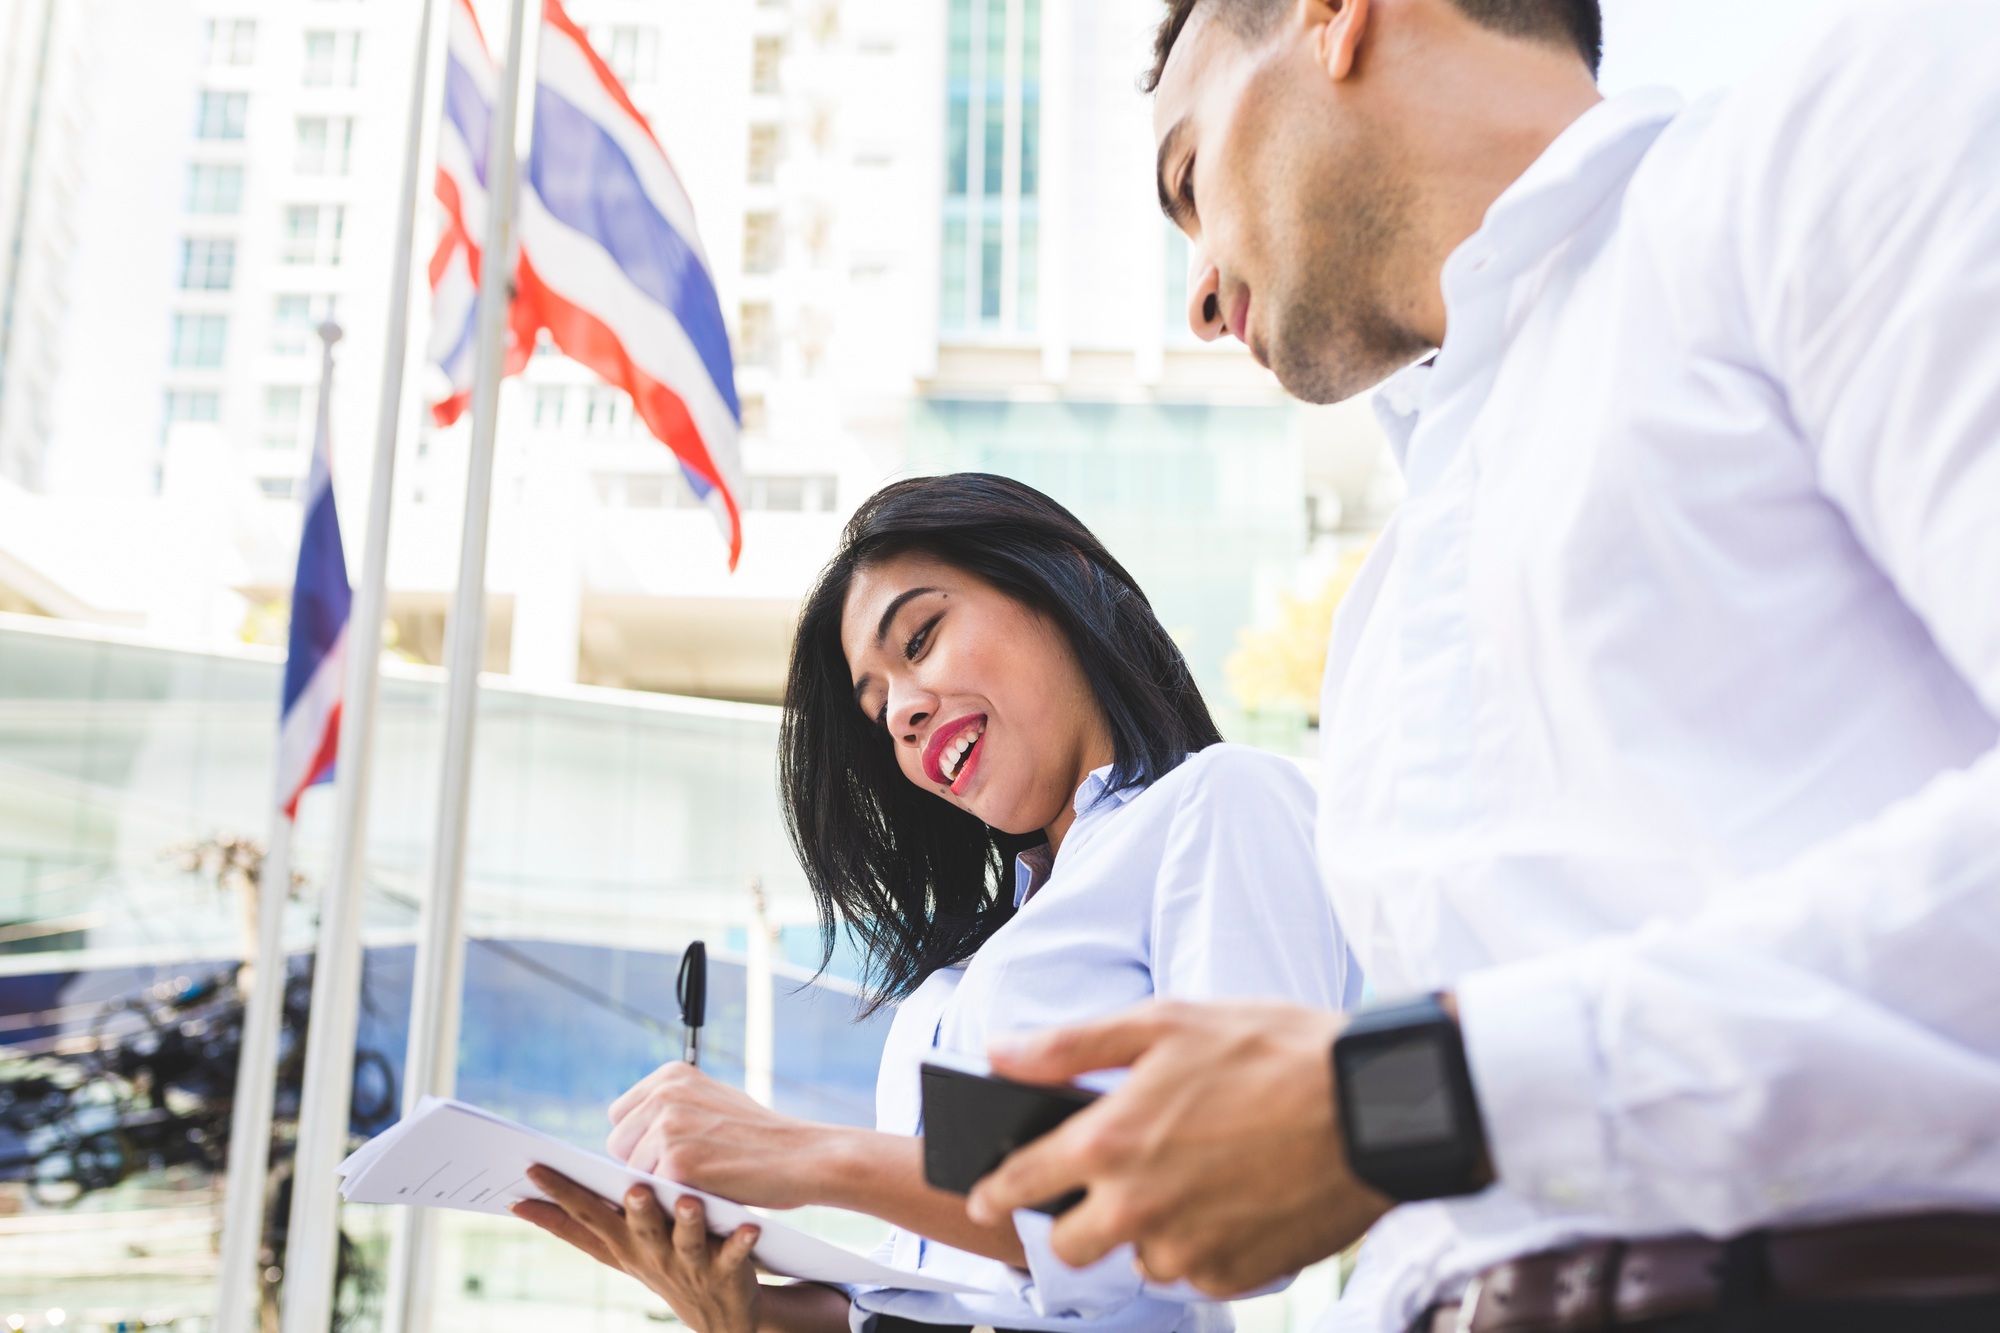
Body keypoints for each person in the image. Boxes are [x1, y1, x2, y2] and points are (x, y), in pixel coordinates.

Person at [956, 1, 2000, 1331]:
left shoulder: (1816, 151)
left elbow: (1415, 1108)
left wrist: (1399, 1101)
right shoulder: (1387, 602)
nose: (1203, 292)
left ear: (1334, 20)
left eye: (1190, 180)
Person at [512, 473, 1365, 1333]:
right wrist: (738, 1304)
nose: (904, 717)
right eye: (879, 707)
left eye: (921, 638)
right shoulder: (972, 968)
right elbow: (943, 1293)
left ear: (1059, 580)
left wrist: (808, 1155)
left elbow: (1244, 1193)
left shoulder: (1222, 801)